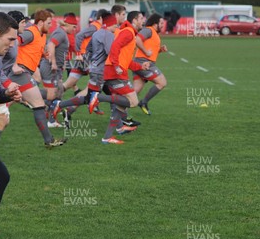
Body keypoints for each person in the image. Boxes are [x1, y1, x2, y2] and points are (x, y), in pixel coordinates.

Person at [89, 11, 151, 144]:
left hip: (116, 70)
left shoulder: (130, 34)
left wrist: (141, 67)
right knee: (133, 101)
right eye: (141, 18)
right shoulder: (128, 32)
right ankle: (97, 97)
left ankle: (107, 137)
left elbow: (127, 61)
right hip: (114, 72)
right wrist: (116, 65)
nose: (143, 20)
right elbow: (115, 47)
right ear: (134, 20)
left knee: (120, 106)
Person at [13, 9, 66, 148]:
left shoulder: (42, 35)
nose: (51, 26)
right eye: (49, 23)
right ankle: (49, 141)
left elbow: (32, 48)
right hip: (20, 72)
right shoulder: (31, 32)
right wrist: (14, 65)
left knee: (1, 107)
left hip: (25, 72)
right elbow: (13, 42)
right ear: (41, 22)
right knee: (38, 104)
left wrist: (42, 54)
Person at [39, 13, 77, 127]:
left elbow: (62, 50)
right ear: (68, 24)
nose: (75, 29)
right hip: (50, 67)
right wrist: (54, 62)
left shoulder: (63, 33)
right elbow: (50, 45)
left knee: (59, 92)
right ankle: (28, 95)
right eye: (74, 26)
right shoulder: (60, 33)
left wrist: (63, 64)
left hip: (57, 69)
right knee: (51, 95)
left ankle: (51, 119)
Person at [133, 13, 168, 115]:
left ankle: (118, 109)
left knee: (135, 92)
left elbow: (151, 51)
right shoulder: (148, 30)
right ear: (155, 23)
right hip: (143, 63)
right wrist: (145, 51)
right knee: (162, 82)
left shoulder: (155, 34)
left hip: (141, 62)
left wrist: (160, 50)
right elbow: (137, 39)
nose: (162, 25)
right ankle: (143, 102)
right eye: (161, 23)